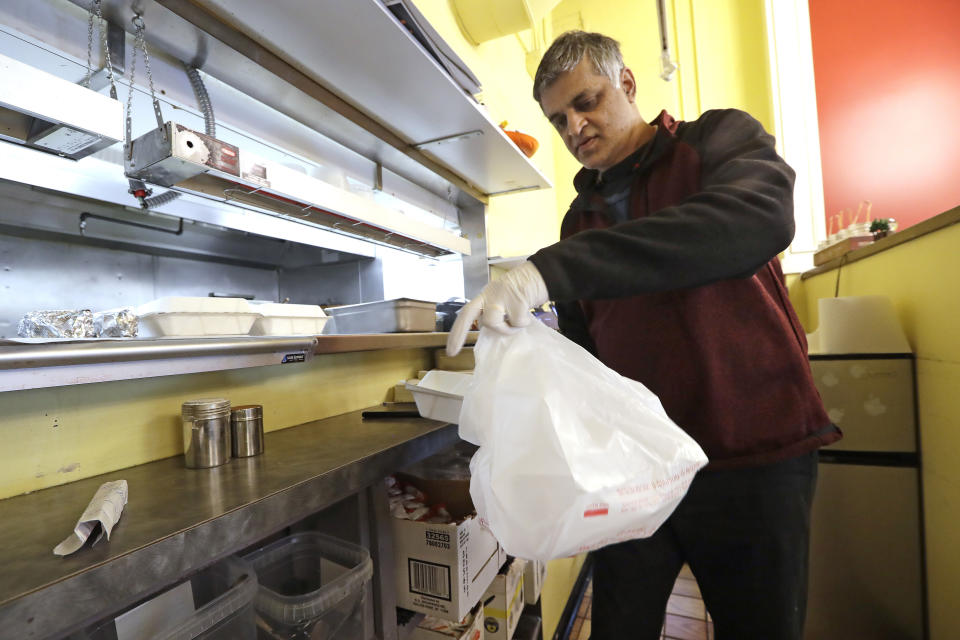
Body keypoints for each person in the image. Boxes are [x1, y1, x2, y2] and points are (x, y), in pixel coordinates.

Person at [446, 30, 841, 640]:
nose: (574, 127)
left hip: (752, 455)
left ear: (627, 84)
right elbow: (584, 354)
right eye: (558, 119)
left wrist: (548, 269)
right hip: (636, 470)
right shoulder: (580, 220)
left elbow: (755, 219)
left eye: (587, 101)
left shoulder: (716, 142)